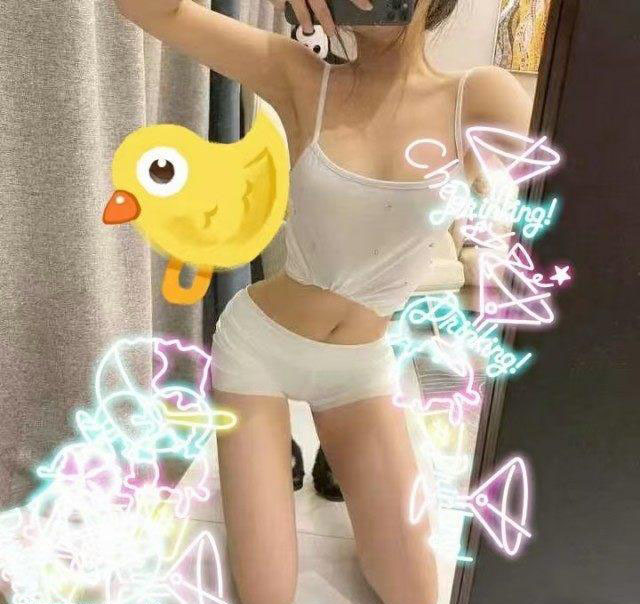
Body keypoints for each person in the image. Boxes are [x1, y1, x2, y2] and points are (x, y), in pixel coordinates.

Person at [114, 1, 532, 603]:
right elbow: (148, 10)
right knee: (268, 593)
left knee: (416, 592)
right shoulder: (300, 75)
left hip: (360, 370)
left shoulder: (479, 96)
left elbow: (592, 179)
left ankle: (347, 489)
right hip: (258, 351)